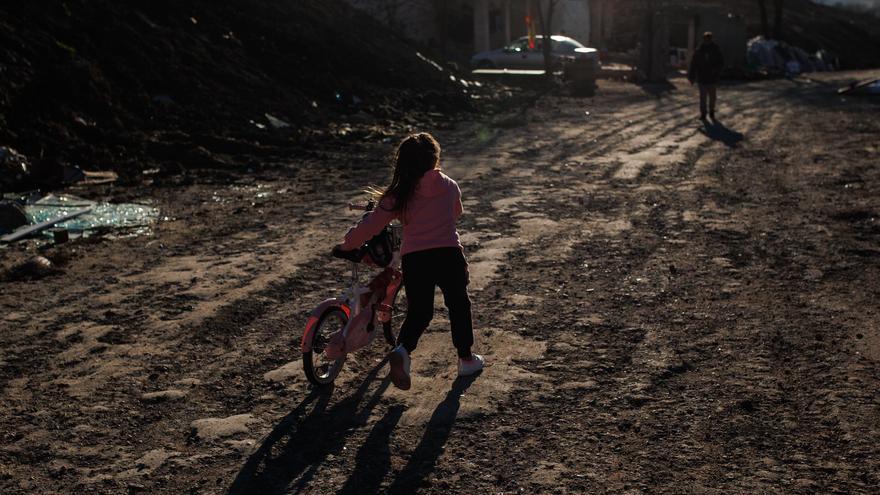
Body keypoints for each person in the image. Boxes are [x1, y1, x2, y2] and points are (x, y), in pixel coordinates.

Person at [335, 133, 483, 390]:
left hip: (416, 258)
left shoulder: (398, 195)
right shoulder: (449, 185)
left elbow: (370, 225)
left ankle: (402, 351)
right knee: (458, 304)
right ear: (435, 158)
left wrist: (346, 245)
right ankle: (466, 359)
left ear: (402, 163)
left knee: (420, 311)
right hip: (449, 254)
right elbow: (456, 212)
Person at [688, 31, 725, 121]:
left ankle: (711, 111)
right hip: (702, 77)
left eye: (708, 39)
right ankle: (703, 113)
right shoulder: (699, 50)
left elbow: (721, 63)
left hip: (712, 77)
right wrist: (691, 76)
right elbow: (694, 64)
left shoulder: (716, 49)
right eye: (706, 39)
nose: (707, 41)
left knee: (712, 97)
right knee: (703, 97)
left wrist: (716, 71)